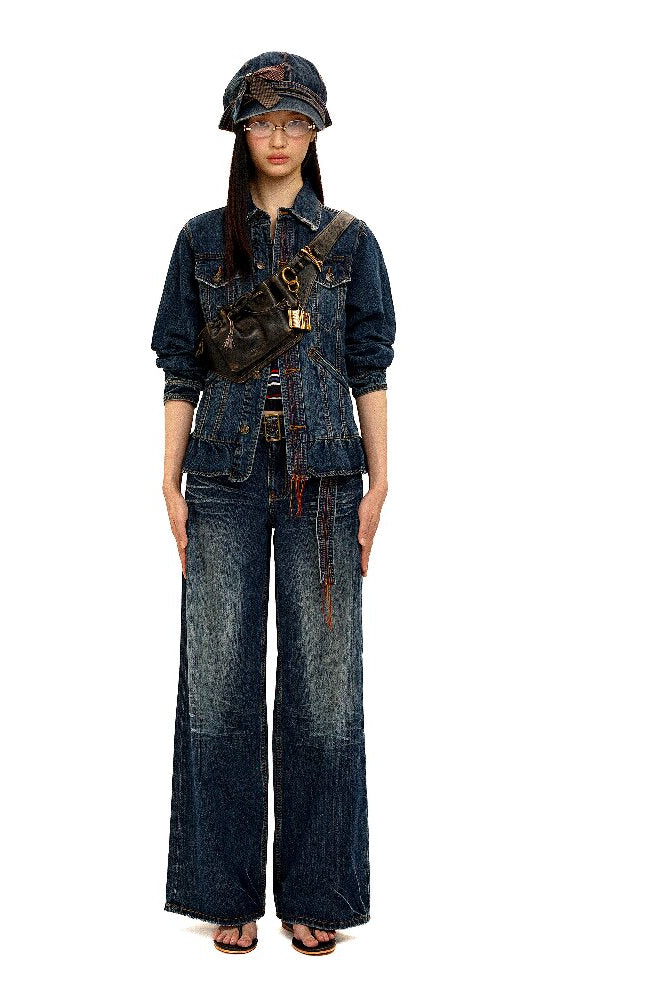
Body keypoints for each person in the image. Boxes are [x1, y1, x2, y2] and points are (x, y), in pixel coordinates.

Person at [150, 51, 396, 956]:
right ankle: (223, 890)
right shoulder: (199, 242)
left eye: (296, 121)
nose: (280, 137)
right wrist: (167, 479)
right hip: (220, 477)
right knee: (217, 684)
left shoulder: (352, 243)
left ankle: (318, 888)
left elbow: (370, 366)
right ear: (240, 132)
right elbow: (181, 367)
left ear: (317, 130)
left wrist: (382, 481)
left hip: (326, 478)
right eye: (264, 121)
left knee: (324, 692)